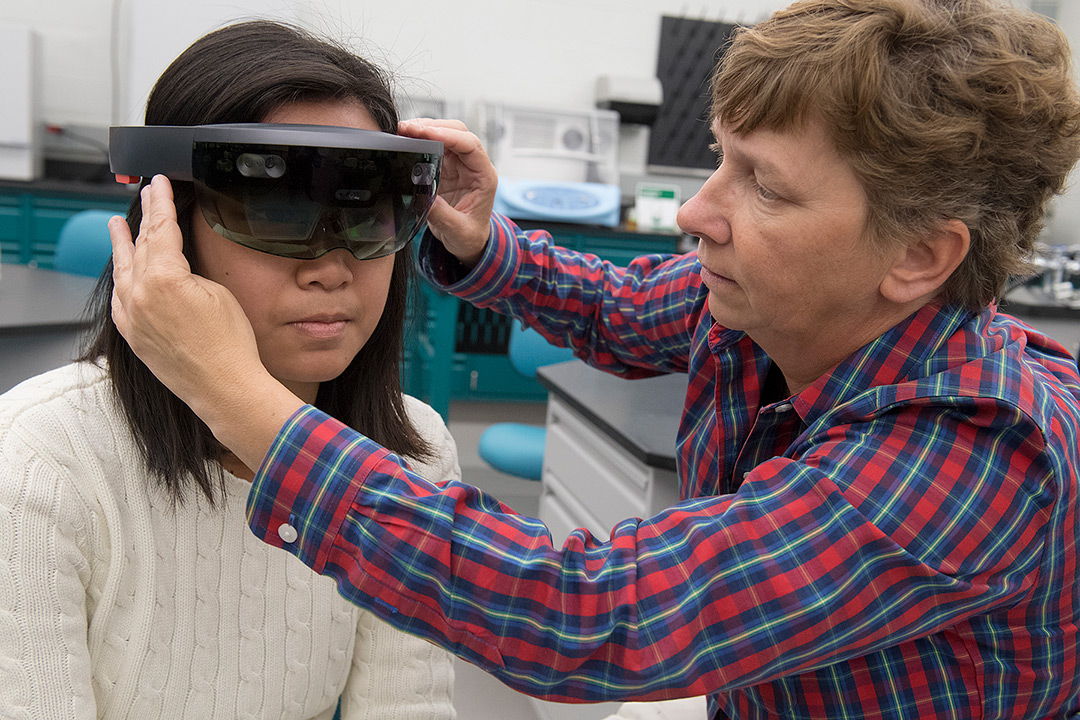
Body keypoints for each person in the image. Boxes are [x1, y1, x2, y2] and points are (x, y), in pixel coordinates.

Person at [108, 0, 1080, 718]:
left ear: (918, 257)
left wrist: (239, 398)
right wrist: (484, 242)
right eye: (721, 158)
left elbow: (590, 615)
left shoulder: (981, 454)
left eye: (765, 188)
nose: (698, 214)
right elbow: (616, 305)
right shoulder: (766, 307)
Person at [0, 20, 458, 720]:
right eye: (278, 211)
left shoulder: (411, 453)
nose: (331, 267)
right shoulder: (40, 459)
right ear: (169, 228)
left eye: (365, 212)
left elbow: (409, 708)